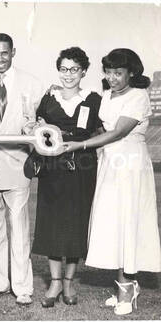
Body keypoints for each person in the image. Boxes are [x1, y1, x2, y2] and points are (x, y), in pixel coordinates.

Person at [65, 48, 161, 315]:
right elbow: (99, 126)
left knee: (128, 222)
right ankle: (123, 285)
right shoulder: (106, 95)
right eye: (108, 72)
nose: (113, 77)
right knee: (114, 223)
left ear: (132, 72)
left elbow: (117, 132)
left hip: (130, 163)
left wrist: (80, 145)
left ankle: (127, 290)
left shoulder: (139, 96)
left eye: (118, 72)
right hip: (109, 162)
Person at [0, 33, 43, 305]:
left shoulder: (33, 84)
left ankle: (23, 287)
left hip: (18, 165)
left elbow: (37, 125)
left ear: (13, 52)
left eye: (4, 53)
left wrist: (34, 155)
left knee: (19, 227)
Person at [30, 47, 102, 308]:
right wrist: (37, 126)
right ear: (58, 70)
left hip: (82, 167)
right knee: (51, 222)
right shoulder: (48, 98)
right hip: (53, 167)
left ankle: (69, 282)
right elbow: (37, 127)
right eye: (63, 69)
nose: (68, 74)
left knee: (75, 222)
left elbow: (102, 132)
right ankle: (55, 281)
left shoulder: (94, 99)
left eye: (74, 69)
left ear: (83, 71)